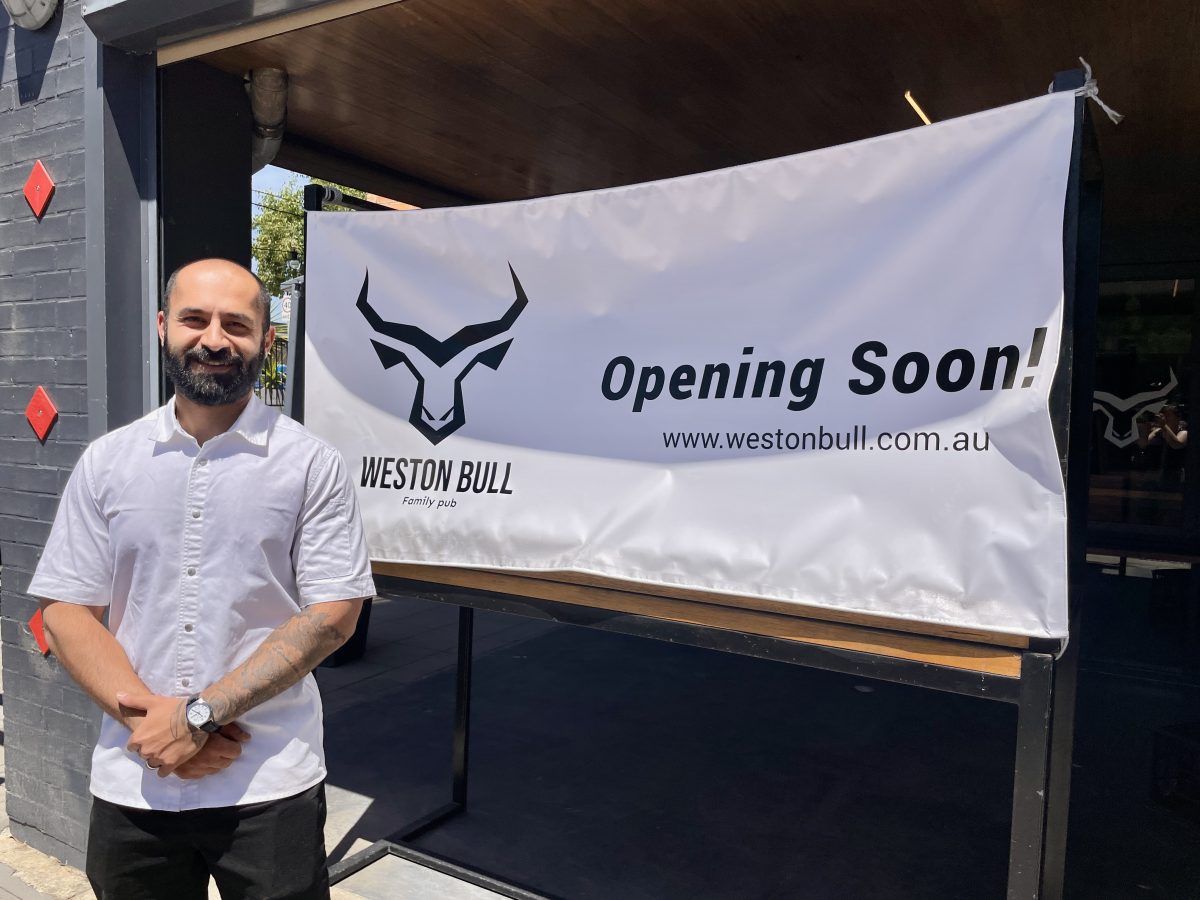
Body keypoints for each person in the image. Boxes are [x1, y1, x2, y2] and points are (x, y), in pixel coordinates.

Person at [29, 258, 376, 899]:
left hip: (269, 781)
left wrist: (198, 716)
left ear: (266, 341)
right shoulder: (109, 462)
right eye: (195, 319)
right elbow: (66, 608)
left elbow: (333, 614)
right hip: (135, 778)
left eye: (236, 325)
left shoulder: (312, 466)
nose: (214, 339)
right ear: (163, 327)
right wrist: (155, 728)